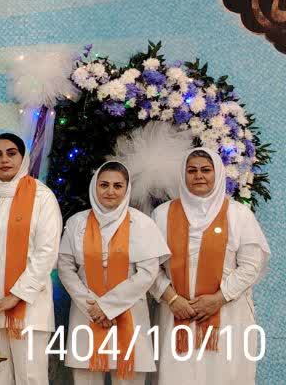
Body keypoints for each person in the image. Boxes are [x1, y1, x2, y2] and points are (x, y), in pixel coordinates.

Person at [151, 148, 269, 384]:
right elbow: (149, 267)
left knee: (224, 375)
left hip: (227, 314)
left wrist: (218, 298)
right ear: (183, 175)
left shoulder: (238, 214)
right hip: (176, 313)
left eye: (206, 170)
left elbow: (251, 266)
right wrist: (173, 299)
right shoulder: (162, 215)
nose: (199, 176)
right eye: (191, 171)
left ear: (218, 174)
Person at [58, 162, 167, 385]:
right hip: (87, 314)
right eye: (104, 185)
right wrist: (93, 307)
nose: (110, 191)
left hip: (130, 315)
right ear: (94, 186)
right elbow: (65, 267)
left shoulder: (142, 224)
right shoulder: (76, 222)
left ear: (127, 189)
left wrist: (107, 307)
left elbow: (147, 273)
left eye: (118, 186)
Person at [0, 134, 61, 385]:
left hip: (29, 309)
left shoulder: (42, 197)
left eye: (11, 153)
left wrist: (15, 296)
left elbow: (46, 252)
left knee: (31, 378)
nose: (4, 160)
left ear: (23, 158)